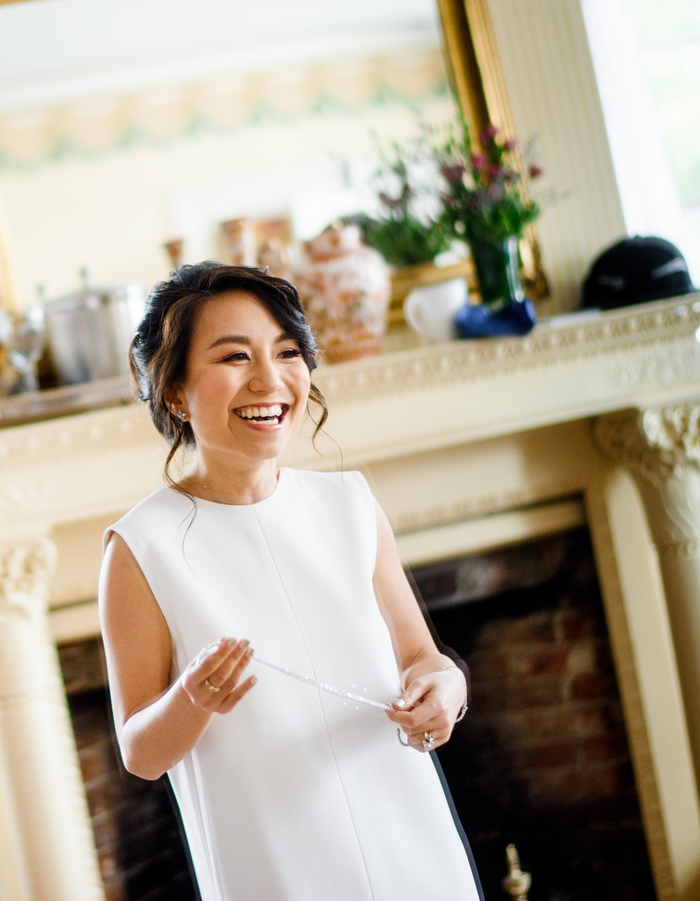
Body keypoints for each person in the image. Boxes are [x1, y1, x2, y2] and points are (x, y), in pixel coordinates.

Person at [99, 262, 481, 900]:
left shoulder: (350, 503)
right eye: (233, 357)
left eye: (286, 352)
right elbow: (141, 751)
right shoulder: (141, 546)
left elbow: (422, 658)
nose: (269, 380)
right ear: (174, 393)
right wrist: (191, 700)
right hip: (275, 865)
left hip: (408, 834)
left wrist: (447, 687)